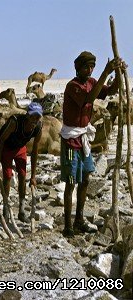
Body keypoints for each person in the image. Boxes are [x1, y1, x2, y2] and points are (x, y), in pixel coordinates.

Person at [61, 51, 124, 237]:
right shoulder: (73, 86)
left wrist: (119, 73)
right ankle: (67, 224)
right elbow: (89, 99)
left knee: (86, 179)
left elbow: (110, 91)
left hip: (84, 140)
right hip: (71, 140)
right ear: (78, 68)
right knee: (71, 181)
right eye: (86, 67)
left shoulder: (91, 83)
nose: (89, 70)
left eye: (92, 67)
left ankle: (79, 219)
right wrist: (106, 71)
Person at [0, 102, 43, 222]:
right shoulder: (15, 123)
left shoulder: (38, 127)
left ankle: (21, 210)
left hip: (20, 148)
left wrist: (33, 176)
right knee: (8, 176)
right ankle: (5, 210)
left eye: (37, 117)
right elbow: (1, 141)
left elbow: (35, 150)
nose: (34, 120)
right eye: (32, 117)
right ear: (27, 115)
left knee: (22, 175)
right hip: (7, 147)